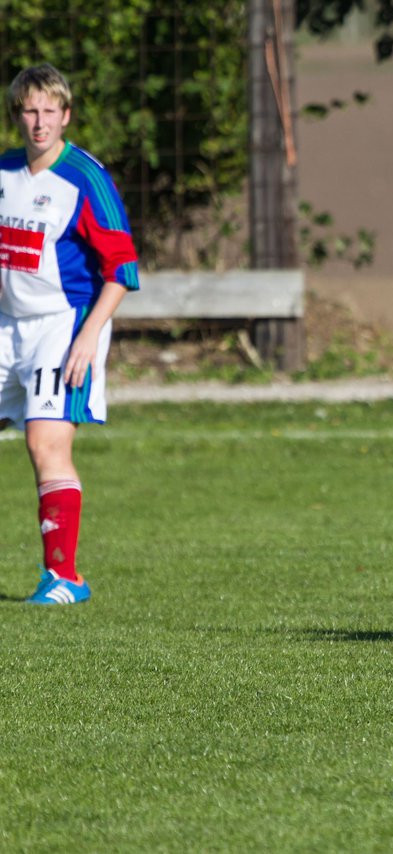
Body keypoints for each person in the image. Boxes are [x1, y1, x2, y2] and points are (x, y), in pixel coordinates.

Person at [0, 64, 140, 604]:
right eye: (29, 111)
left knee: (45, 441)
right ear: (17, 115)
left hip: (65, 325)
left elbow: (122, 269)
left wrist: (89, 338)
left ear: (66, 115)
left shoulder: (84, 178)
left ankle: (64, 578)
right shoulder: (6, 172)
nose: (39, 122)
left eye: (49, 112)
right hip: (9, 325)